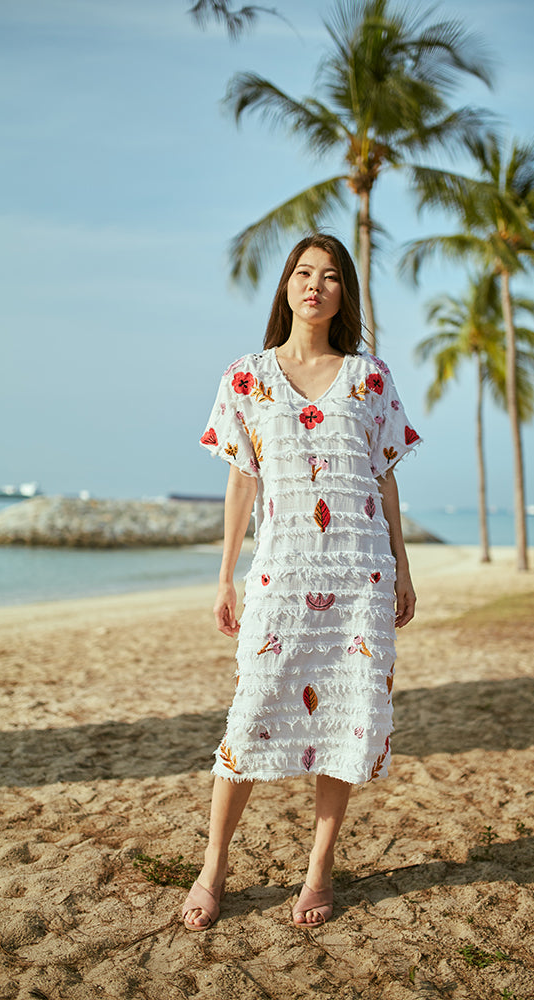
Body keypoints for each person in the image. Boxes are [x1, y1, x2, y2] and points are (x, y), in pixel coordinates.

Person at [185, 233, 421, 931]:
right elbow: (239, 482)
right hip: (281, 574)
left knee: (349, 720)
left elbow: (384, 478)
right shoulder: (245, 377)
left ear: (343, 294)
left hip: (359, 577)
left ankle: (318, 871)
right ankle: (213, 866)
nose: (314, 285)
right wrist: (224, 576)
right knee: (250, 714)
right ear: (286, 285)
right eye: (302, 272)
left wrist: (403, 568)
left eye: (329, 277)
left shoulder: (369, 377)